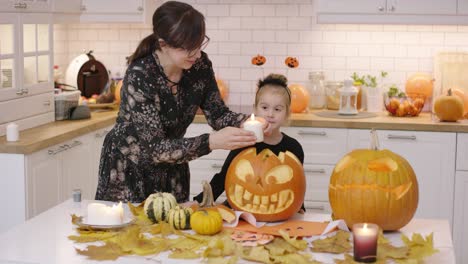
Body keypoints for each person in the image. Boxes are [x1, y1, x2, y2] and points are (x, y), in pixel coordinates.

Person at [95, 1, 270, 203]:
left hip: (173, 166)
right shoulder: (140, 76)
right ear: (163, 44)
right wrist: (211, 142)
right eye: (188, 48)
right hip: (129, 169)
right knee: (130, 231)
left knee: (174, 230)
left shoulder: (199, 65)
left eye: (199, 44)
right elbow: (155, 148)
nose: (196, 54)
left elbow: (218, 114)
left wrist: (249, 122)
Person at [193, 73, 305, 213]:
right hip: (240, 211)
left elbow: (296, 183)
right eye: (264, 108)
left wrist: (300, 206)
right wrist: (199, 202)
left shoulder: (294, 147)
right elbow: (223, 177)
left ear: (287, 113)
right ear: (255, 109)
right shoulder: (244, 142)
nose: (270, 114)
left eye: (277, 109)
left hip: (278, 214)